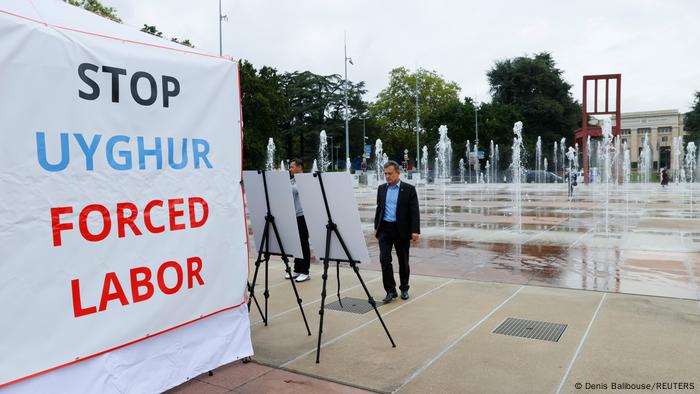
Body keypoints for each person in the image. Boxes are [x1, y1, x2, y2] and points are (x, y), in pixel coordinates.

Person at [374, 161, 420, 303]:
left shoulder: (409, 189)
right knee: (384, 259)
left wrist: (415, 231)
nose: (387, 176)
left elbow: (414, 212)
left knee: (403, 261)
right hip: (385, 230)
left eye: (390, 173)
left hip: (402, 230)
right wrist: (377, 227)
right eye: (385, 173)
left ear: (398, 173)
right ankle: (390, 291)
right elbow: (379, 209)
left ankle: (404, 288)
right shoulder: (381, 189)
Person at [288, 158, 311, 282]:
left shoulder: (303, 180)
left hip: (303, 216)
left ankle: (305, 271)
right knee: (296, 243)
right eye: (290, 167)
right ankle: (297, 269)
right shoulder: (292, 180)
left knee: (303, 243)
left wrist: (279, 180)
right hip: (294, 215)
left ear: (299, 167)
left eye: (292, 167)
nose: (290, 169)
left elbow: (294, 190)